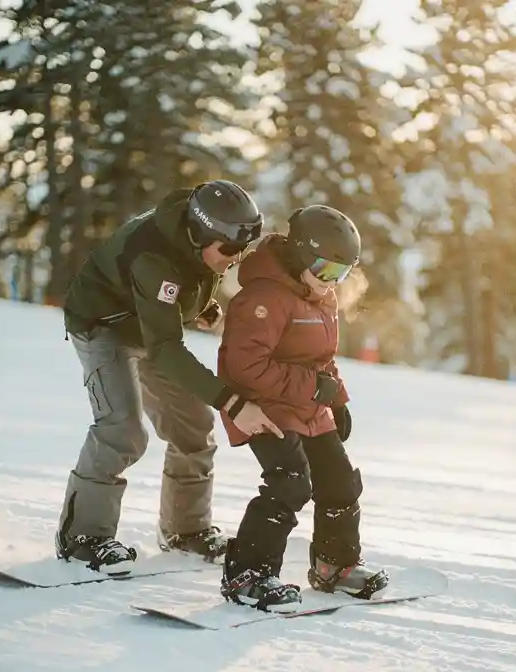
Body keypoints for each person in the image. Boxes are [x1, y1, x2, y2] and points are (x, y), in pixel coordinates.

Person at [56, 180, 285, 575]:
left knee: (194, 426)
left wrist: (199, 305)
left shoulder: (199, 237)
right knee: (122, 430)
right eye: (229, 250)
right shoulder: (154, 257)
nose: (234, 259)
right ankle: (82, 537)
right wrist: (232, 401)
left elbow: (185, 281)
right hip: (104, 326)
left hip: (149, 325)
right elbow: (165, 348)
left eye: (241, 250)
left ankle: (186, 531)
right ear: (200, 234)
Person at [214, 204, 389, 612]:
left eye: (341, 274)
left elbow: (323, 358)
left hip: (309, 405)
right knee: (290, 483)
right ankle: (248, 573)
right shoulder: (264, 298)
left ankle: (335, 566)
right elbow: (244, 366)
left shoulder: (320, 296)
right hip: (262, 406)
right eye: (326, 270)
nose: (332, 282)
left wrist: (338, 399)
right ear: (299, 254)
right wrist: (316, 388)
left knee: (340, 483)